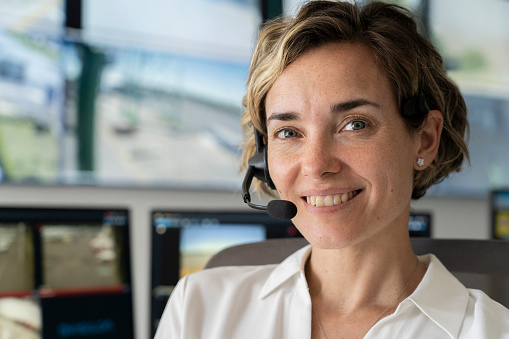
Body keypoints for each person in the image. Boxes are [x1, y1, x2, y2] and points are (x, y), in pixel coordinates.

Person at [154, 1, 509, 338]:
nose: (316, 164)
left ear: (426, 140)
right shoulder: (199, 309)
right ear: (264, 157)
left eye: (354, 124)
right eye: (288, 132)